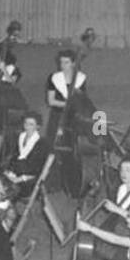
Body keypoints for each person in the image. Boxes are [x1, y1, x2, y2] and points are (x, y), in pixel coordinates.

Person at [45, 49, 87, 197]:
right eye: (61, 62)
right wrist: (67, 104)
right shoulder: (54, 78)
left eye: (66, 62)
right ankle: (53, 184)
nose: (63, 65)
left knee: (72, 150)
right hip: (57, 117)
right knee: (54, 148)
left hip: (72, 119)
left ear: (74, 63)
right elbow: (51, 101)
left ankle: (71, 185)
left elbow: (82, 101)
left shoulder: (81, 78)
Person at [4, 113, 49, 198]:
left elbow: (37, 169)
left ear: (38, 127)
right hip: (17, 172)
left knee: (6, 187)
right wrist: (9, 171)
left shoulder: (42, 143)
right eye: (25, 123)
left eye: (31, 124)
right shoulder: (21, 137)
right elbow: (14, 156)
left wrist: (19, 178)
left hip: (29, 179)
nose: (27, 126)